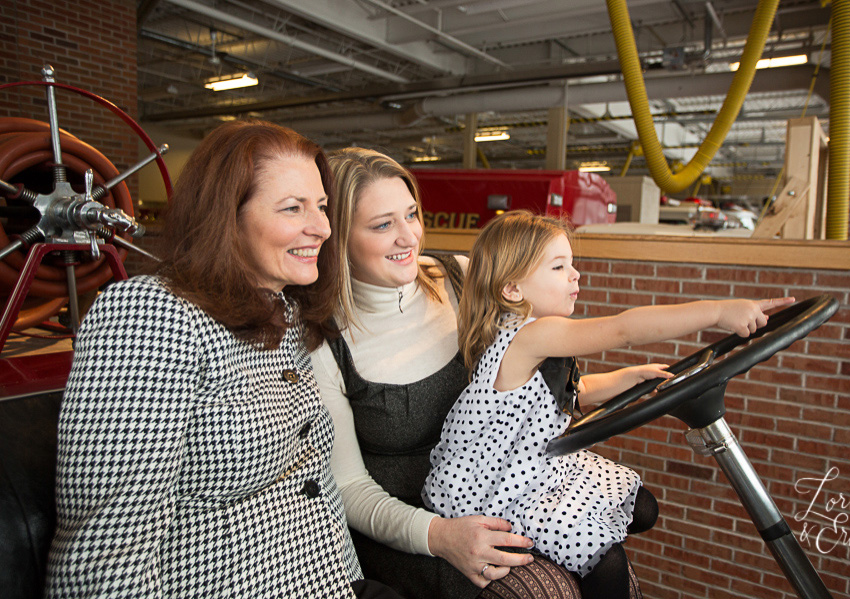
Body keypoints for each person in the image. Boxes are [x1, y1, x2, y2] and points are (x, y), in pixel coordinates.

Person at [45, 120, 401, 599]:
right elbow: (107, 547)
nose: (322, 227)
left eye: (320, 206)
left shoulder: (286, 308)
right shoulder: (150, 314)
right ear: (226, 216)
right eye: (293, 208)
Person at [422, 210, 795, 599]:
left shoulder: (529, 339)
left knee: (643, 507)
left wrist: (628, 377)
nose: (575, 275)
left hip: (531, 465)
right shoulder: (531, 335)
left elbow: (571, 392)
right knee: (608, 561)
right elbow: (624, 328)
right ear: (513, 289)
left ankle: (568, 544)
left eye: (572, 264)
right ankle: (574, 548)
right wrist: (719, 311)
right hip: (496, 490)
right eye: (558, 266)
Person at [310, 148, 582, 599]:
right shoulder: (324, 338)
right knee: (543, 591)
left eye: (412, 215)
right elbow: (350, 488)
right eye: (382, 225)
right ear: (337, 238)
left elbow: (536, 359)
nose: (409, 237)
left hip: (496, 490)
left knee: (607, 561)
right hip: (406, 525)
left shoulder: (459, 275)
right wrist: (440, 535)